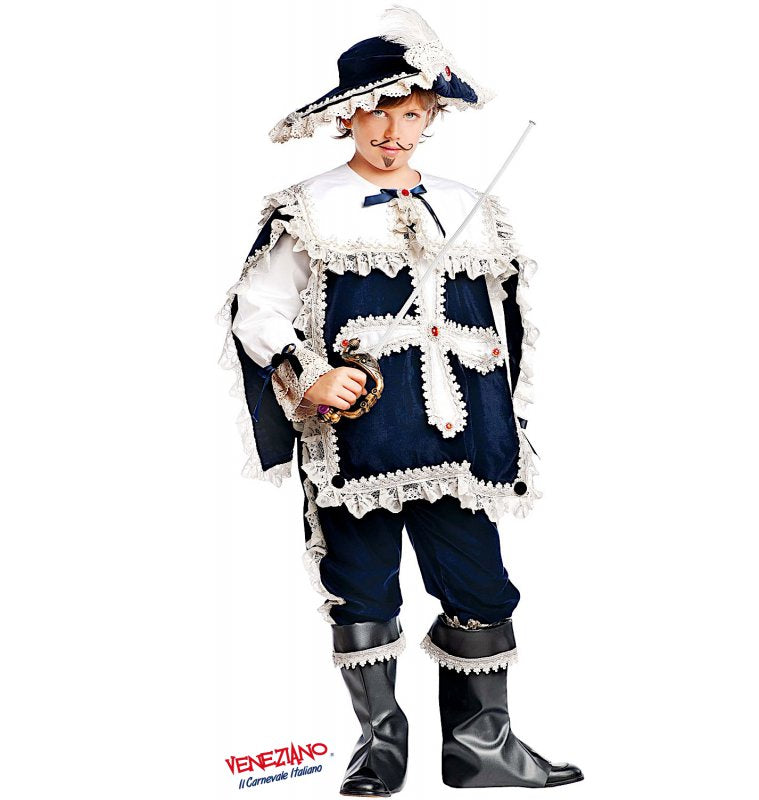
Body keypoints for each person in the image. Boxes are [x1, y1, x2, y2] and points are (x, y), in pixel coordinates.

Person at [217, 5, 583, 794]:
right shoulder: (309, 206)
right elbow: (258, 310)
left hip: (459, 444)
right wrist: (307, 372)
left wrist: (508, 425)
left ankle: (480, 748)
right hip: (361, 442)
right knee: (361, 584)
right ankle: (380, 747)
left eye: (412, 115)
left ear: (431, 119)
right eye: (379, 114)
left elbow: (505, 324)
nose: (393, 132)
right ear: (347, 115)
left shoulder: (472, 205)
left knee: (480, 584)